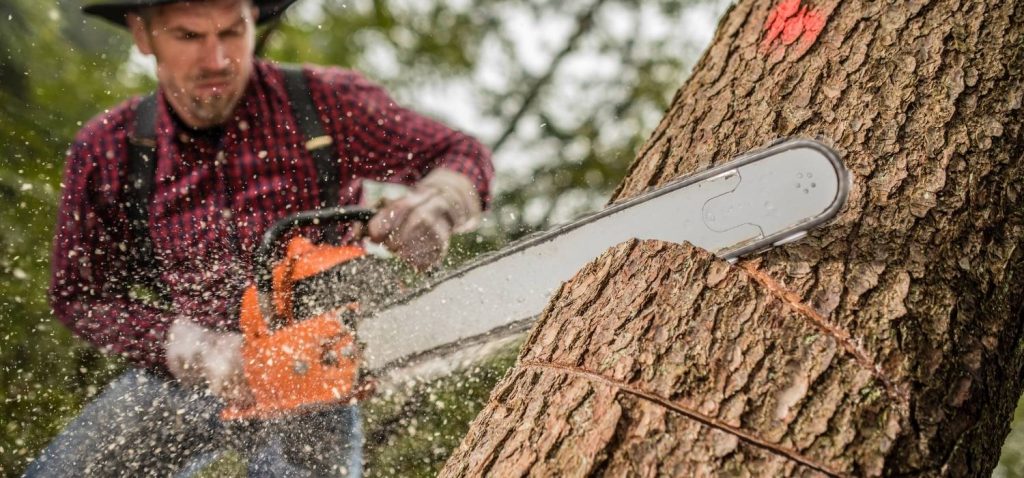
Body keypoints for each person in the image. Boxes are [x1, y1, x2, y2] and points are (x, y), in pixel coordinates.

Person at [29, 0, 493, 475]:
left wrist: (440, 202)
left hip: (316, 372)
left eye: (232, 32)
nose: (216, 59)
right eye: (189, 37)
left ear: (254, 21)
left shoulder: (322, 102)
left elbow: (461, 152)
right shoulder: (111, 148)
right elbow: (77, 295)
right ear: (144, 36)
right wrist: (192, 348)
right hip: (187, 375)